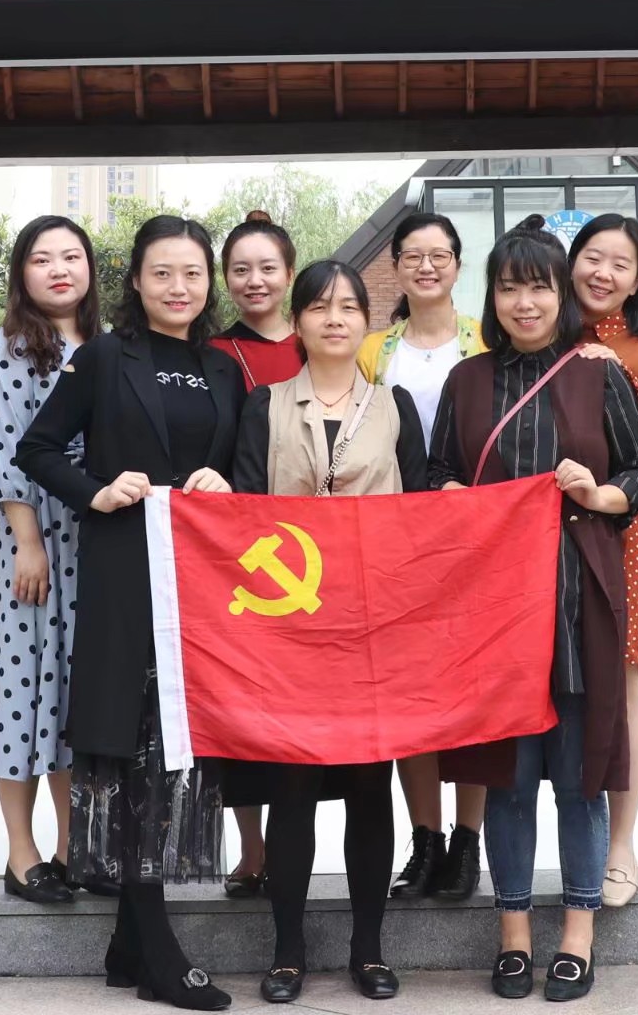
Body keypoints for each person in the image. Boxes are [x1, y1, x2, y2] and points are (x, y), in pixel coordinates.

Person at [18, 215, 246, 1010]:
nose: (179, 287)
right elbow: (37, 449)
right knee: (134, 745)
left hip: (201, 583)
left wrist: (227, 483)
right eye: (162, 273)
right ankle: (160, 956)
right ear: (138, 282)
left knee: (177, 744)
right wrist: (97, 491)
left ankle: (126, 947)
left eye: (192, 273)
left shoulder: (224, 369)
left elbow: (244, 467)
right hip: (123, 571)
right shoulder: (106, 357)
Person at [430, 216, 638, 1004]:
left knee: (580, 777)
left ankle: (578, 936)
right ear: (491, 297)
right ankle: (514, 937)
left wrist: (599, 493)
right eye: (509, 287)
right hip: (492, 609)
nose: (524, 302)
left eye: (538, 286)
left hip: (576, 599)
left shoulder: (597, 372)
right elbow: (434, 472)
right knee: (507, 780)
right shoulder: (466, 381)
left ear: (561, 294)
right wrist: (454, 497)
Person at [227, 260, 426, 1004]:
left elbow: (423, 514)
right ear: (298, 321)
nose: (334, 319)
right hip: (290, 630)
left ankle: (368, 951)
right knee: (294, 785)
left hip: (374, 627)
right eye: (318, 307)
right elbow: (243, 510)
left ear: (367, 321)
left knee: (373, 785)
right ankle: (287, 954)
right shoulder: (264, 405)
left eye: (347, 307)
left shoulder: (396, 407)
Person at [354, 211, 488, 902]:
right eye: (413, 255)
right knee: (409, 692)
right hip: (396, 542)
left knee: (474, 693)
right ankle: (425, 839)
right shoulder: (372, 350)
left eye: (440, 255)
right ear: (396, 267)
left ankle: (467, 841)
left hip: (478, 540)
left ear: (458, 265)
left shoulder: (486, 339)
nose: (427, 266)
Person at [0, 216, 102, 905]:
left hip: (98, 537)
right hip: (38, 539)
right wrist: (27, 542)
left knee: (76, 698)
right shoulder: (9, 348)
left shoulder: (108, 347)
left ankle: (73, 847)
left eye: (71, 256)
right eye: (42, 258)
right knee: (24, 691)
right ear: (22, 273)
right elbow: (5, 452)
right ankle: (21, 854)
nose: (59, 269)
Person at [566, 214, 638, 911]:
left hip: (620, 529)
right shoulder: (543, 331)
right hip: (543, 529)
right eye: (592, 257)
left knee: (624, 685)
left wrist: (611, 371)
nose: (602, 272)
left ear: (637, 281)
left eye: (620, 264)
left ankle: (622, 844)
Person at [208, 211, 305, 900]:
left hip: (311, 550)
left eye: (268, 268)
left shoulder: (321, 339)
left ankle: (297, 843)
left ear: (290, 274)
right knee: (240, 701)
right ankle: (252, 847)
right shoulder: (212, 353)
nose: (254, 281)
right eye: (240, 269)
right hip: (235, 550)